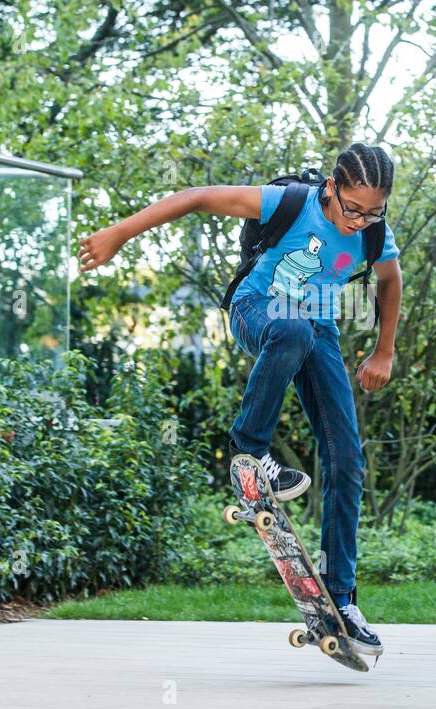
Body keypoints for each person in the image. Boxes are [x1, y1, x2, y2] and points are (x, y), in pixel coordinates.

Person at [77, 142, 402, 655]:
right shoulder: (289, 203)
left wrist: (384, 350)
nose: (360, 221)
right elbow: (197, 197)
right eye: (352, 208)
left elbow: (389, 279)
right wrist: (119, 234)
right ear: (332, 188)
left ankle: (341, 598)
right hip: (258, 310)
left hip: (317, 328)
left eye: (373, 211)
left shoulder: (374, 234)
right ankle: (250, 452)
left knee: (347, 458)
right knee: (292, 328)